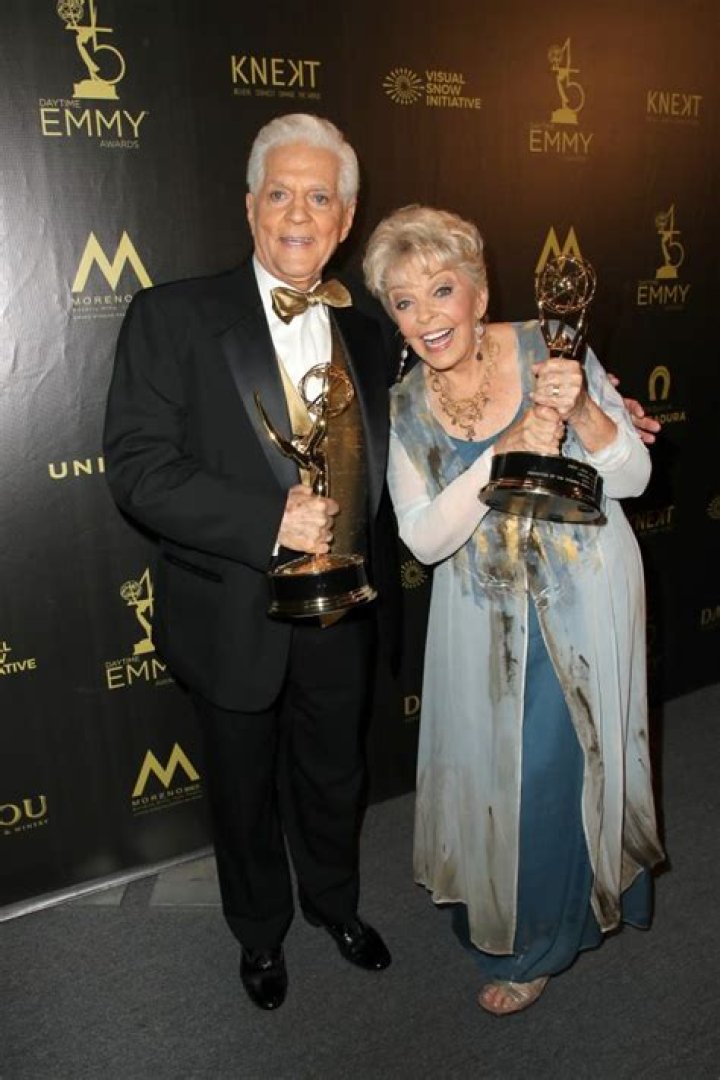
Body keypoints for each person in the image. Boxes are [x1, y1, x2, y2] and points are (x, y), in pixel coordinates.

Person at [103, 114, 401, 1011]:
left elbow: (443, 420)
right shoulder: (171, 317)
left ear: (346, 218)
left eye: (319, 197)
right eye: (281, 193)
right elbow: (139, 470)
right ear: (249, 208)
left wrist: (579, 409)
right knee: (240, 790)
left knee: (335, 776)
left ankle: (335, 905)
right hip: (230, 611)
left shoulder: (375, 331)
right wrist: (271, 519)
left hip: (345, 608)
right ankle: (260, 932)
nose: (299, 214)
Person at [363, 205, 665, 1016]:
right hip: (488, 618)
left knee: (576, 765)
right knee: (513, 781)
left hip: (588, 591)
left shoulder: (549, 347)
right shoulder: (403, 408)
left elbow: (632, 478)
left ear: (479, 290)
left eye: (442, 289)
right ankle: (531, 923)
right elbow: (425, 539)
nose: (427, 316)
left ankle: (544, 944)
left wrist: (587, 411)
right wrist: (503, 451)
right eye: (404, 301)